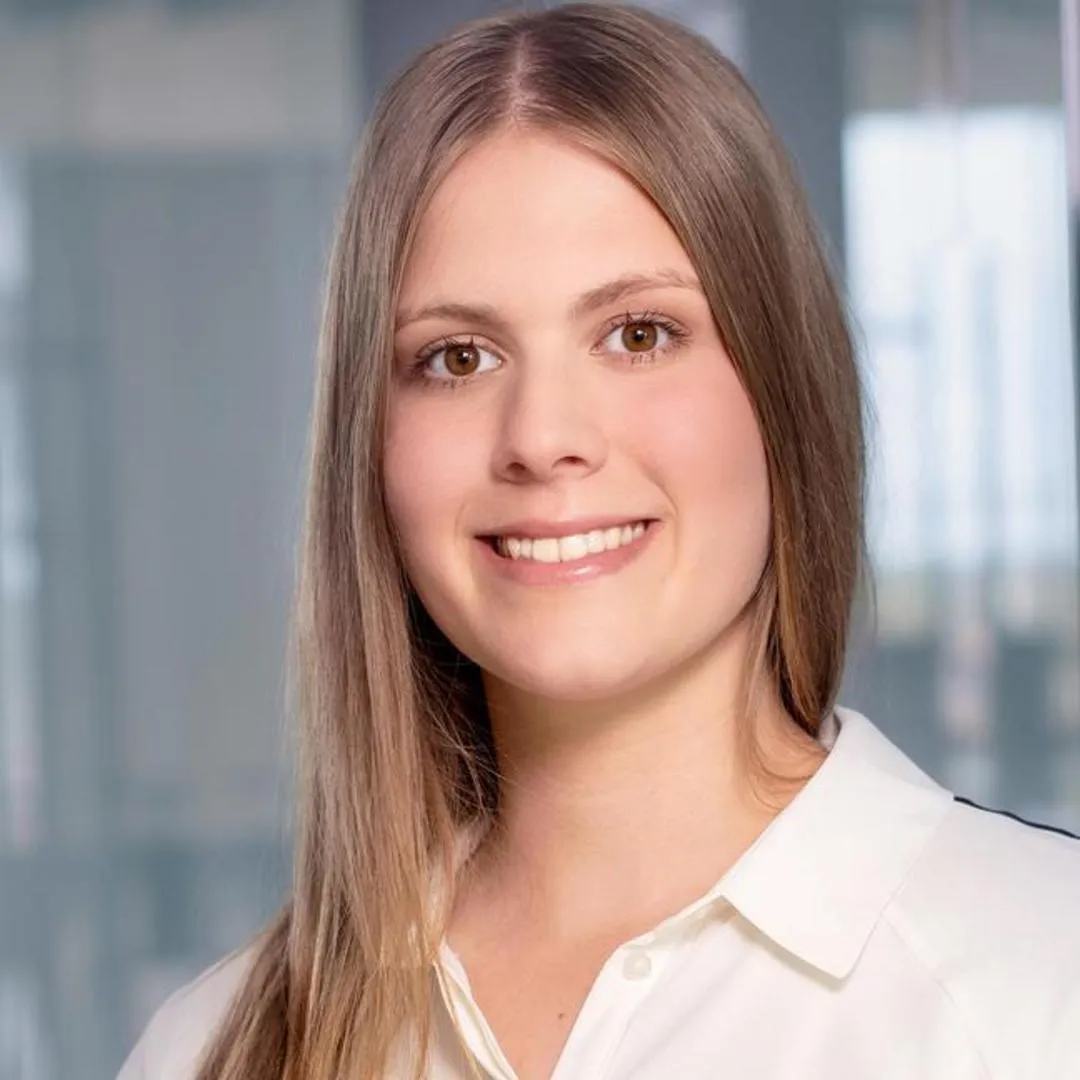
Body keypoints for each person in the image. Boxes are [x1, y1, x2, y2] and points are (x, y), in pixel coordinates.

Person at [117, 4, 1080, 1079]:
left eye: (639, 334)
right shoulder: (206, 1050)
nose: (541, 438)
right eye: (458, 357)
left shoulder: (1046, 981)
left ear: (783, 391)